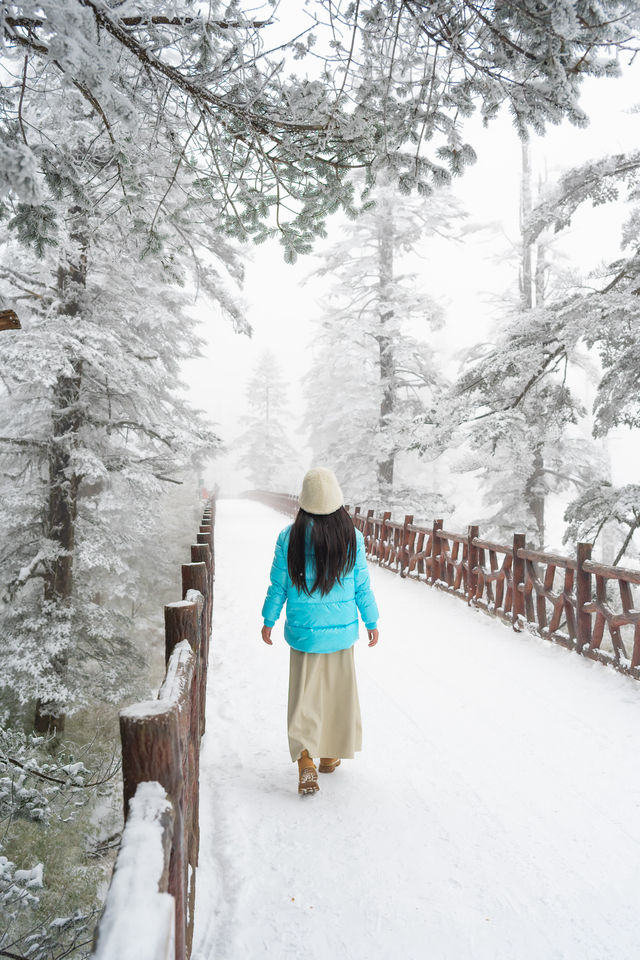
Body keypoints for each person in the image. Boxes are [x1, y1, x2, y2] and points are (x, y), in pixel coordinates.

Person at [261, 467, 380, 796]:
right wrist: (371, 621)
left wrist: (268, 619)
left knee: (305, 696)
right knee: (338, 693)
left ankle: (305, 760)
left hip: (305, 634)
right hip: (341, 635)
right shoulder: (351, 536)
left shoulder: (290, 537)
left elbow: (278, 586)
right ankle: (329, 756)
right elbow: (362, 587)